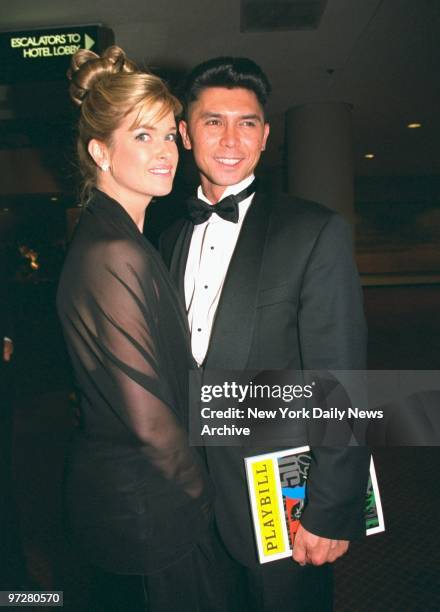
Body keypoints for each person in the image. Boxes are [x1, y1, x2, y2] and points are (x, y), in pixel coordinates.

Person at [160, 57, 371, 611]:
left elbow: (341, 381)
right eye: (212, 121)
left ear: (266, 134)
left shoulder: (313, 230)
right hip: (187, 494)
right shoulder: (169, 234)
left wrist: (331, 507)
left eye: (247, 122)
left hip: (280, 497)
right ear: (184, 133)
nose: (231, 139)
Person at [57, 46, 232, 612]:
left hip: (142, 496)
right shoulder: (113, 251)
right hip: (150, 507)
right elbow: (149, 424)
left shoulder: (126, 240)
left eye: (167, 134)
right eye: (141, 136)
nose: (165, 152)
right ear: (99, 151)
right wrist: (209, 496)